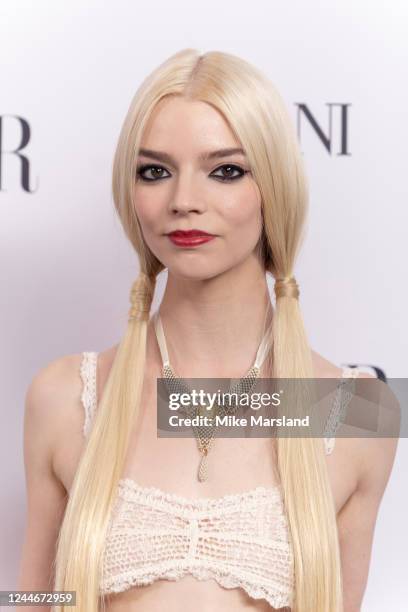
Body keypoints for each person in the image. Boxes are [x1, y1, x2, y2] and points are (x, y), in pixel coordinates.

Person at [18, 48, 398, 612]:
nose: (183, 202)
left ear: (274, 185)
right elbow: (32, 597)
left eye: (226, 170)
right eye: (155, 171)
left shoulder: (362, 412)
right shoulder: (64, 395)